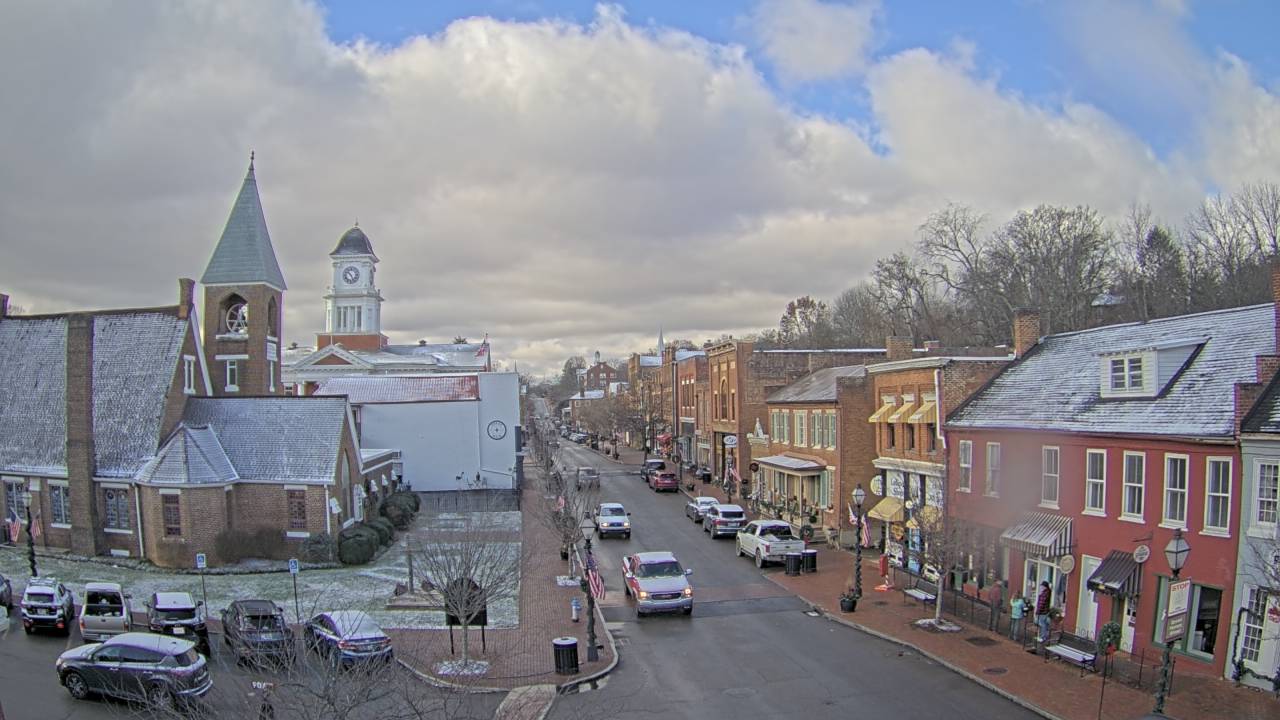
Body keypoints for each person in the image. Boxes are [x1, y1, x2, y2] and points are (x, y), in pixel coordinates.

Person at [1034, 580, 1052, 648]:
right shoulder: (1047, 593)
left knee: (1042, 624)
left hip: (1042, 612)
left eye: (1041, 586)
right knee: (1044, 624)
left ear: (1044, 587)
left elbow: (1041, 603)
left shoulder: (1044, 594)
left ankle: (1043, 637)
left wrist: (1038, 611)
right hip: (1045, 611)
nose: (1040, 587)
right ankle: (1044, 636)